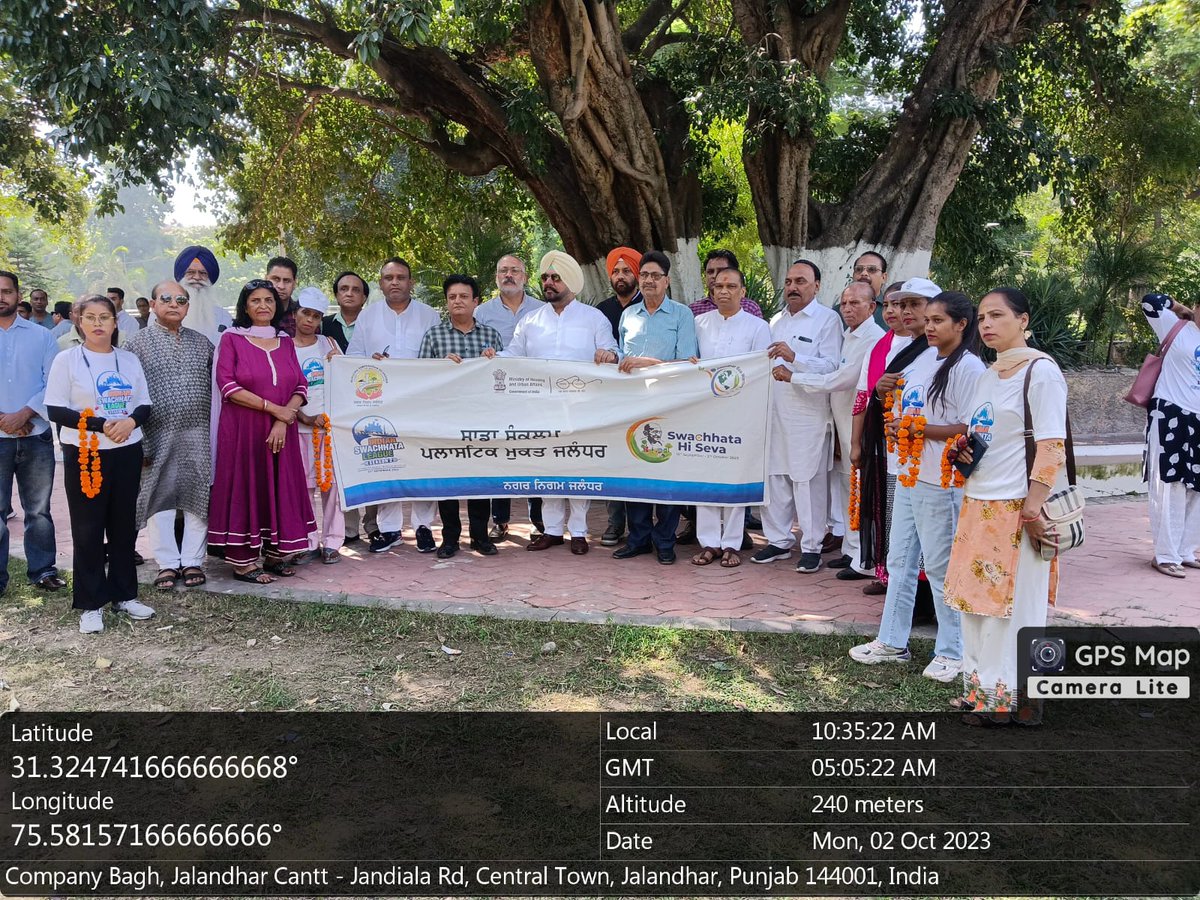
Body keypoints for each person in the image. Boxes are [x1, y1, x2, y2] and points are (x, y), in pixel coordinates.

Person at [943, 287, 1069, 725]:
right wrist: (964, 452)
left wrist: (1032, 511)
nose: (987, 325)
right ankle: (982, 692)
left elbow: (1052, 447)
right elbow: (987, 436)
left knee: (1014, 608)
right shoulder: (988, 375)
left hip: (1017, 508)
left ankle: (1015, 700)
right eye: (981, 318)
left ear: (1023, 319)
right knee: (976, 605)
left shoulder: (1041, 372)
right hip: (978, 502)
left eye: (997, 316)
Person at [850, 291, 986, 682]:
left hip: (940, 480)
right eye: (928, 320)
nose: (928, 327)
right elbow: (899, 402)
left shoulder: (970, 368)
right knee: (900, 562)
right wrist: (882, 392)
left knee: (941, 567)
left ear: (962, 325)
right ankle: (892, 642)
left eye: (938, 321)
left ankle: (953, 651)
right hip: (908, 473)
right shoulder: (924, 358)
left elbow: (971, 427)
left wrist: (920, 429)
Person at [44, 295, 154, 633]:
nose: (97, 324)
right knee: (88, 527)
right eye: (90, 317)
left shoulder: (129, 360)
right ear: (78, 321)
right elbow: (55, 410)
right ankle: (91, 603)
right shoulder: (68, 360)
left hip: (126, 450)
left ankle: (124, 594)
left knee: (123, 525)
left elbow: (144, 404)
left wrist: (130, 423)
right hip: (86, 451)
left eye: (104, 317)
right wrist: (100, 424)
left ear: (115, 321)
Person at [500, 250, 619, 554]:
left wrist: (609, 355)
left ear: (572, 283)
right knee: (547, 470)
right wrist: (491, 359)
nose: (549, 282)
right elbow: (513, 356)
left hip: (581, 410)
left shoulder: (593, 318)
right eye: (545, 278)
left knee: (579, 470)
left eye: (555, 278)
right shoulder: (530, 320)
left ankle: (578, 531)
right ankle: (552, 530)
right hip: (540, 410)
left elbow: (611, 351)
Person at [206, 280, 315, 583]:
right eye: (255, 300)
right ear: (245, 306)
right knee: (248, 485)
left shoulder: (285, 340)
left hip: (282, 430)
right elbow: (227, 385)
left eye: (268, 300)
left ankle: (274, 554)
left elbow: (300, 386)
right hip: (244, 430)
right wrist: (273, 409)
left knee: (280, 486)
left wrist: (283, 418)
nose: (263, 305)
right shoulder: (232, 339)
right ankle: (243, 563)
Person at [749, 260, 844, 573]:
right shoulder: (775, 321)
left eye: (801, 281)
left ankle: (812, 545)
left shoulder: (828, 320)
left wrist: (796, 358)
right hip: (773, 412)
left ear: (817, 285)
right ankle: (777, 541)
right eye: (789, 281)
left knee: (807, 481)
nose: (793, 287)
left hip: (808, 416)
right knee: (775, 479)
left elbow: (832, 367)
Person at [790, 281, 884, 579]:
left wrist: (794, 377)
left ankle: (866, 559)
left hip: (861, 425)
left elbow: (841, 379)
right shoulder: (849, 335)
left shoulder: (873, 338)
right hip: (841, 422)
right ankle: (853, 551)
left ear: (872, 307)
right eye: (844, 303)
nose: (848, 309)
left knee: (861, 490)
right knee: (848, 489)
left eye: (856, 303)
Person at [346, 257, 441, 553]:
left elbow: (438, 359)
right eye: (389, 278)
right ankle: (389, 530)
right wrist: (368, 361)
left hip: (421, 403)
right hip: (380, 404)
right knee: (386, 463)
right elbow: (353, 357)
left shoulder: (429, 315)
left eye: (401, 277)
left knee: (423, 464)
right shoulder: (368, 316)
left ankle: (424, 526)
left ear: (411, 282)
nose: (395, 282)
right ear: (380, 283)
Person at [126, 280, 214, 591]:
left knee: (197, 494)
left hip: (198, 433)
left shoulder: (203, 343)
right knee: (157, 497)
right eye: (166, 298)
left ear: (188, 307)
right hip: (154, 434)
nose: (174, 304)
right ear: (152, 305)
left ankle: (192, 560)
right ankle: (166, 563)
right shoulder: (135, 345)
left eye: (181, 300)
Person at [612, 250, 699, 565]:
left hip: (669, 406)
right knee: (634, 472)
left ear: (666, 280)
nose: (648, 281)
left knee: (665, 474)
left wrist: (647, 363)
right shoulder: (628, 315)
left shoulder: (681, 315)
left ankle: (665, 541)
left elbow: (689, 362)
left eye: (655, 276)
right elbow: (622, 360)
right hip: (633, 406)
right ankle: (638, 539)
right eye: (644, 275)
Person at [691, 266, 771, 567]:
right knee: (706, 477)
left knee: (736, 477)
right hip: (704, 413)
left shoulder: (757, 327)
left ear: (743, 291)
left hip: (741, 413)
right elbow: (689, 363)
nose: (724, 291)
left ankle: (732, 543)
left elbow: (760, 370)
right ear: (711, 291)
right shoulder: (698, 323)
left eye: (731, 286)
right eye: (719, 286)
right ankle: (709, 543)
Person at [419, 275, 505, 558]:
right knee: (448, 481)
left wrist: (495, 360)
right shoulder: (434, 336)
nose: (458, 301)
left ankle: (480, 537)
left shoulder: (491, 336)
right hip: (445, 420)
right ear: (447, 302)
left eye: (464, 296)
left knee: (480, 480)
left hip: (482, 419)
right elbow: (418, 379)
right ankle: (450, 539)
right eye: (452, 297)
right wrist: (439, 368)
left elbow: (505, 377)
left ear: (475, 301)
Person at [853, 280, 928, 596]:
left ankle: (916, 586)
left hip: (920, 450)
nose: (900, 312)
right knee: (886, 508)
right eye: (895, 305)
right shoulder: (879, 347)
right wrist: (856, 443)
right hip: (884, 441)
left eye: (909, 305)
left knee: (914, 521)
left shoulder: (936, 350)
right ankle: (887, 574)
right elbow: (864, 396)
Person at [0, 270, 65, 596]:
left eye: (7, 291)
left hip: (35, 436)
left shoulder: (41, 336)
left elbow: (51, 381)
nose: (2, 297)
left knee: (38, 510)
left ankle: (43, 571)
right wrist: (5, 420)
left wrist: (24, 413)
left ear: (17, 294)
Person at [475, 254, 544, 541]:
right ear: (496, 278)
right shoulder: (482, 312)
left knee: (532, 456)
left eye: (515, 270)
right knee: (500, 456)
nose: (509, 275)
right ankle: (500, 520)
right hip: (497, 398)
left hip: (533, 396)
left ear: (525, 277)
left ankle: (538, 522)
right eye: (503, 270)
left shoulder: (542, 310)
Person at [1138, 292, 1200, 577]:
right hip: (1171, 412)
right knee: (1169, 485)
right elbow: (1150, 300)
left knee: (1196, 489)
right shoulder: (1175, 326)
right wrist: (1178, 307)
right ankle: (1165, 554)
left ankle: (1186, 550)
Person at [292, 287, 344, 564]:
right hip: (298, 427)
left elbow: (345, 380)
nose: (310, 320)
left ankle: (333, 542)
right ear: (295, 314)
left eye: (316, 316)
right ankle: (308, 540)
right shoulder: (284, 346)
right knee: (304, 487)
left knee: (333, 487)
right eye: (306, 313)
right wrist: (303, 417)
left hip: (330, 428)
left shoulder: (329, 344)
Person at [597, 246, 643, 547]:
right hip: (609, 398)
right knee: (612, 459)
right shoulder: (601, 311)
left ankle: (647, 528)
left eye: (627, 271)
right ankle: (615, 524)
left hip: (646, 397)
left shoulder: (649, 306)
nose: (621, 276)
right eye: (616, 271)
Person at [174, 245, 233, 343]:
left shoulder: (223, 316)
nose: (197, 277)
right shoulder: (164, 313)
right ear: (181, 275)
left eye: (203, 273)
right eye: (191, 272)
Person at [689, 250, 764, 318]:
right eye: (710, 272)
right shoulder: (693, 310)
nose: (714, 276)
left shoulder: (749, 307)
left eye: (721, 271)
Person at [322, 271, 368, 352]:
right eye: (344, 289)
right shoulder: (323, 324)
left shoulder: (375, 324)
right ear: (336, 296)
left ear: (364, 298)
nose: (349, 294)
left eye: (356, 290)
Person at [266, 256, 300, 337]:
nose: (281, 286)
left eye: (287, 281)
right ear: (266, 279)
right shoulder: (255, 313)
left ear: (295, 283)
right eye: (276, 279)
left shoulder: (302, 315)